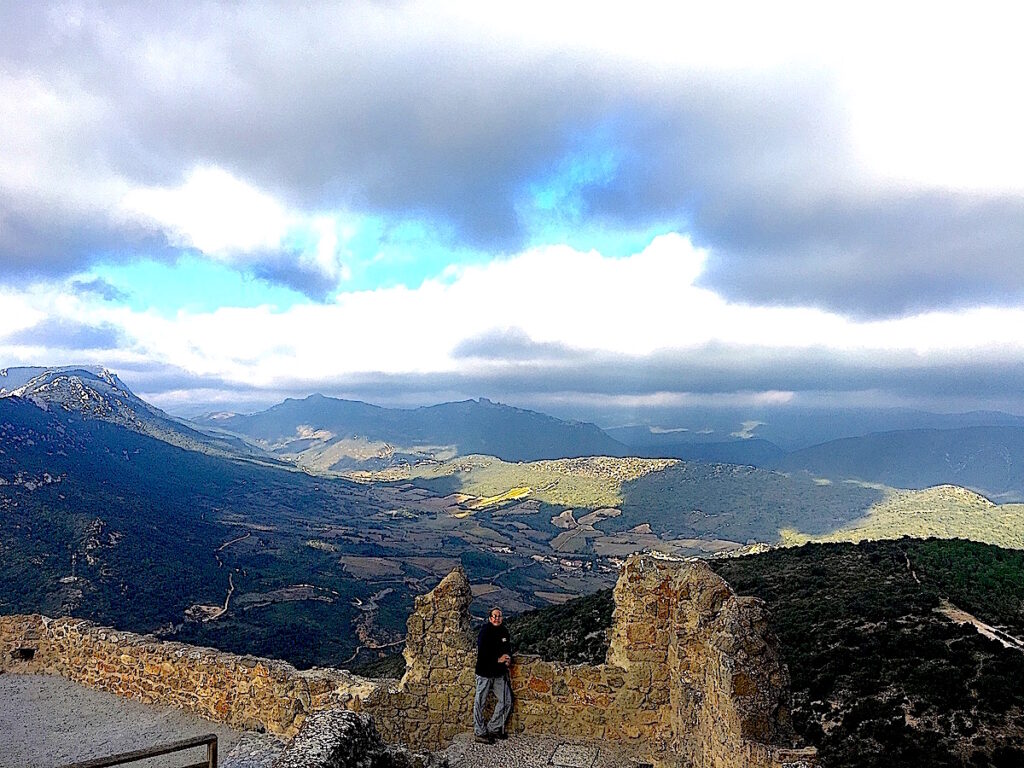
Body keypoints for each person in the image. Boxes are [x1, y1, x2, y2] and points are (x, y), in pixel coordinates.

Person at [473, 606, 512, 744]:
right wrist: (498, 659)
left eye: (499, 616)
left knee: (506, 701)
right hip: (484, 673)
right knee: (479, 703)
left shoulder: (504, 631)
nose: (496, 618)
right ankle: (479, 732)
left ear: (502, 618)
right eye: (494, 616)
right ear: (490, 618)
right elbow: (483, 653)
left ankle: (493, 728)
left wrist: (508, 658)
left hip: (499, 674)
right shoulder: (485, 632)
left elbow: (508, 648)